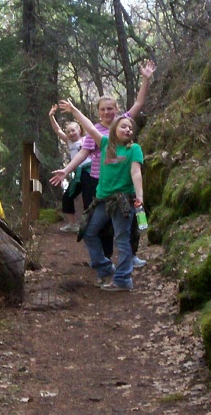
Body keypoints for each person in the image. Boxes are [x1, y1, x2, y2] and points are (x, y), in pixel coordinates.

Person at [50, 60, 156, 266]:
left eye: (110, 109)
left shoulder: (123, 123)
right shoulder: (95, 133)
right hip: (99, 181)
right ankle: (106, 258)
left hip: (123, 182)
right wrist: (66, 170)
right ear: (98, 112)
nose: (107, 112)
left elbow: (139, 104)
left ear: (116, 109)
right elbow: (82, 154)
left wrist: (145, 79)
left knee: (130, 221)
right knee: (101, 223)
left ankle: (130, 256)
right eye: (103, 109)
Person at [58, 99, 144, 291]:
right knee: (88, 231)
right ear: (115, 130)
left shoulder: (134, 149)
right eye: (123, 127)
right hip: (103, 199)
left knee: (122, 238)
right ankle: (105, 267)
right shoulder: (105, 143)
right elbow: (88, 126)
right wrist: (74, 111)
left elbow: (136, 173)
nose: (128, 130)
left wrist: (140, 196)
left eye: (130, 128)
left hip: (123, 200)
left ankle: (123, 279)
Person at [48, 104, 91, 232]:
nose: (71, 133)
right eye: (68, 131)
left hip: (89, 171)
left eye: (73, 130)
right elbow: (57, 130)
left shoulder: (86, 140)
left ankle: (90, 225)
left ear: (79, 130)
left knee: (88, 198)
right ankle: (73, 224)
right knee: (67, 196)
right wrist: (51, 116)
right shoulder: (69, 142)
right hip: (77, 173)